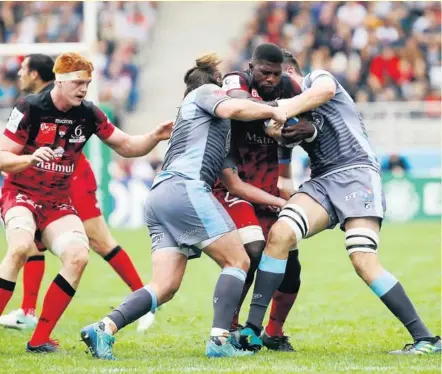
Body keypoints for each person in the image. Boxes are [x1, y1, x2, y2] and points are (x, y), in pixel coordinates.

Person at [79, 53, 289, 360]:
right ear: (216, 85)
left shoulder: (209, 126)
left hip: (160, 196)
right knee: (238, 262)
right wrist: (276, 108)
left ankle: (104, 327)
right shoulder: (205, 93)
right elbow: (233, 105)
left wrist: (278, 200)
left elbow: (233, 185)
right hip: (186, 188)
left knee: (164, 286)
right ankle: (220, 341)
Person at [233, 49, 441, 355]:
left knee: (362, 258)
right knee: (281, 234)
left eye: (280, 77)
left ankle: (426, 338)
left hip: (357, 171)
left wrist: (283, 106)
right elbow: (288, 163)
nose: (275, 84)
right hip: (322, 180)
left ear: (291, 72)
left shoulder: (317, 79)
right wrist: (279, 134)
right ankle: (253, 330)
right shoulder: (294, 112)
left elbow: (325, 91)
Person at [0, 52, 173, 353]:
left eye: (87, 83)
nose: (84, 89)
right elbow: (3, 156)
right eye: (78, 83)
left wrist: (155, 136)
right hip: (22, 195)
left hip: (57, 202)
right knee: (19, 248)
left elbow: (127, 145)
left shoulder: (89, 113)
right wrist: (30, 157)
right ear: (61, 80)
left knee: (79, 256)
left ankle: (39, 338)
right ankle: (25, 311)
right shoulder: (30, 108)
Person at [213, 43, 317, 352]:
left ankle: (272, 332)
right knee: (252, 253)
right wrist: (275, 114)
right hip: (234, 187)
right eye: (264, 73)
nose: (270, 79)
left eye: (275, 74)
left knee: (291, 267)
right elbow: (236, 103)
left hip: (270, 191)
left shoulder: (290, 86)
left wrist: (299, 128)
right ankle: (230, 329)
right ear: (251, 67)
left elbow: (311, 122)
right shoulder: (236, 80)